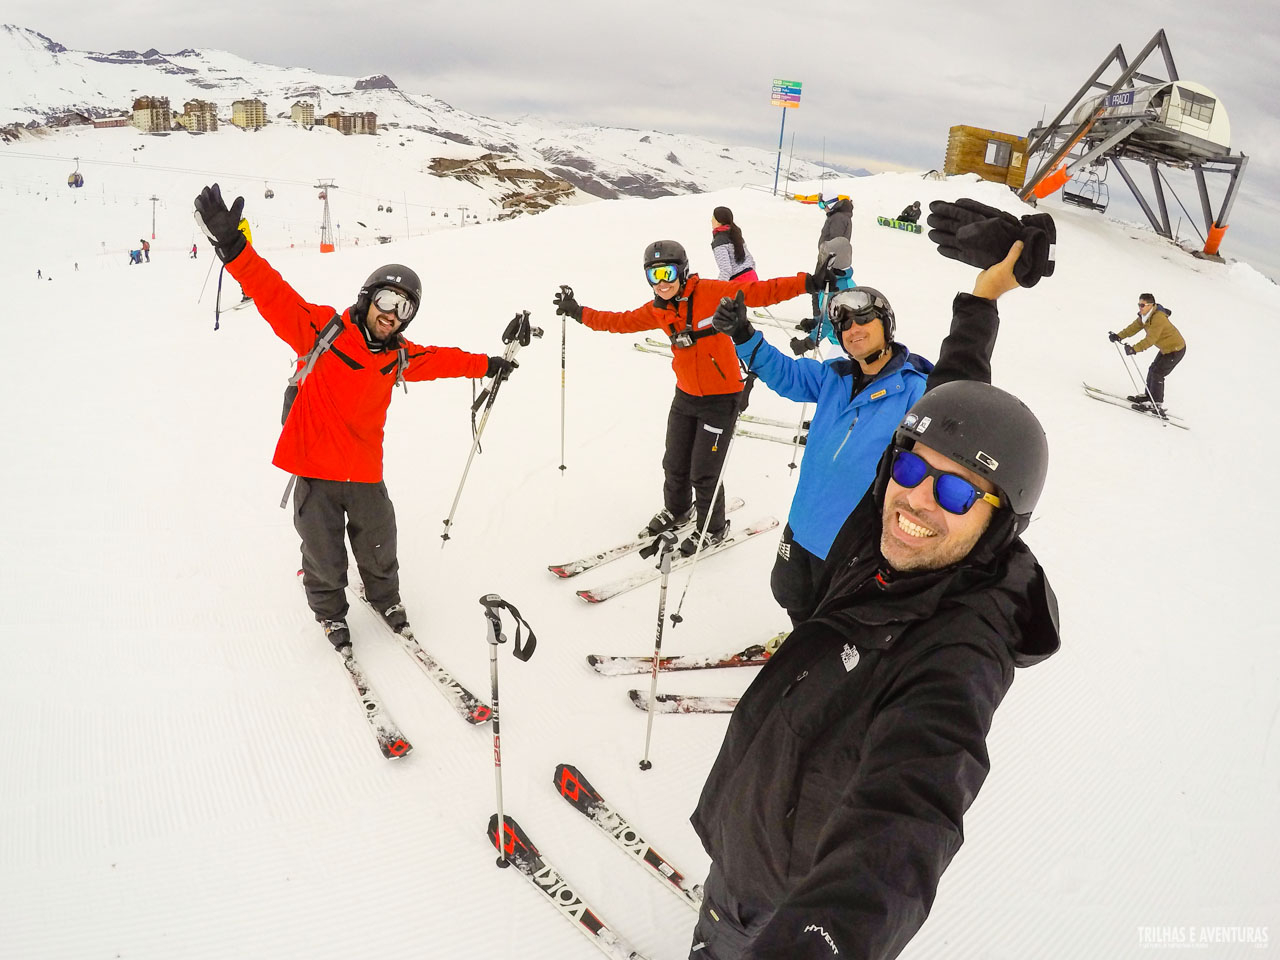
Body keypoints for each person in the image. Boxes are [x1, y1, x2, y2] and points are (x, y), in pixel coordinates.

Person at [688, 240, 1061, 960]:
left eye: (955, 490)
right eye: (912, 465)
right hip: (751, 818)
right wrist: (982, 299)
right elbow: (959, 396)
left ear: (997, 525)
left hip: (782, 888)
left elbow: (909, 818)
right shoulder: (884, 529)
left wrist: (827, 939)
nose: (919, 496)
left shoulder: (957, 653)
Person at [193, 183, 517, 654]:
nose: (393, 315)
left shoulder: (400, 357)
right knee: (322, 553)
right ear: (367, 298)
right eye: (387, 301)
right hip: (316, 467)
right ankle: (329, 612)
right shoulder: (321, 331)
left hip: (363, 469)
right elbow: (270, 292)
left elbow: (445, 359)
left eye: (405, 309)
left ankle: (385, 600)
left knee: (380, 541)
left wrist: (489, 365)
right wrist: (235, 247)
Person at [554, 242, 826, 554]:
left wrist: (808, 283)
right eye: (653, 275)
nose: (662, 282)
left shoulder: (711, 293)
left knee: (704, 473)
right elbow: (619, 321)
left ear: (682, 271)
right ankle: (678, 510)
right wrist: (578, 312)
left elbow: (759, 291)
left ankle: (714, 528)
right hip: (684, 396)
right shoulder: (658, 310)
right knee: (674, 463)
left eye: (667, 273)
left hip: (722, 398)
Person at [712, 285, 932, 624]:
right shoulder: (835, 376)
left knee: (841, 620)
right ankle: (801, 646)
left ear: (886, 324)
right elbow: (784, 373)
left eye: (863, 319)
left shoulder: (916, 390)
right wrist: (743, 333)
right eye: (844, 325)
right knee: (791, 595)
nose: (853, 329)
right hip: (804, 523)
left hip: (856, 544)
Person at [1109, 294, 1185, 412]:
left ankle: (1156, 403)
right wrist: (1119, 336)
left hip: (1176, 349)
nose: (1140, 307)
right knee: (1152, 369)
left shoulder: (1158, 318)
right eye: (1139, 305)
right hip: (1166, 349)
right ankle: (1148, 396)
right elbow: (1133, 327)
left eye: (1143, 305)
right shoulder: (1146, 316)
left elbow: (1151, 339)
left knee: (1158, 373)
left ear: (1151, 305)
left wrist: (1134, 349)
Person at [799, 195, 853, 331]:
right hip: (829, 258)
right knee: (820, 289)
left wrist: (827, 259)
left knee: (818, 288)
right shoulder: (839, 216)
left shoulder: (838, 218)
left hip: (830, 260)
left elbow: (835, 242)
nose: (823, 209)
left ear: (832, 203)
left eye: (823, 205)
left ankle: (819, 321)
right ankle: (819, 319)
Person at [710, 206, 758, 282]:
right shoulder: (735, 234)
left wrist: (718, 288)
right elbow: (750, 260)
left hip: (739, 282)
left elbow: (726, 270)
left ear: (719, 222)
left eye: (713, 218)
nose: (711, 220)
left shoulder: (719, 241)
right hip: (752, 278)